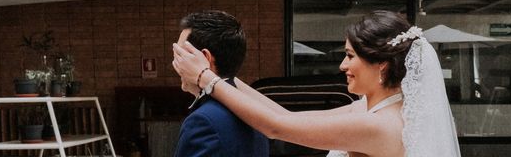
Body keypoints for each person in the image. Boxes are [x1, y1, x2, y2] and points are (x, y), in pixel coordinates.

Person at [173, 10, 461, 157]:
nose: (342, 66)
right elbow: (283, 115)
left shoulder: (378, 125)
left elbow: (276, 127)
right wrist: (222, 77)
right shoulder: (374, 111)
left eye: (350, 56)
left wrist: (205, 77)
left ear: (381, 64)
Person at [173, 10, 269, 157]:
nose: (176, 63)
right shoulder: (255, 110)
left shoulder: (203, 121)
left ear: (205, 57)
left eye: (181, 55)